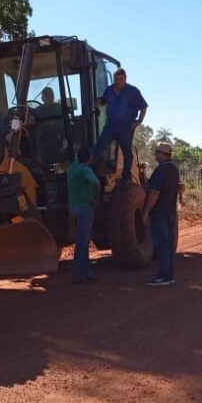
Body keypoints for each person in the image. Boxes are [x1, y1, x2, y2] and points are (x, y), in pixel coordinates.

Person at [91, 68, 147, 184]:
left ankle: (126, 177)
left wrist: (139, 121)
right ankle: (88, 168)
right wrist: (96, 103)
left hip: (125, 128)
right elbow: (103, 102)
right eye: (116, 79)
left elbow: (143, 107)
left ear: (125, 79)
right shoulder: (109, 90)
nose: (117, 81)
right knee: (99, 146)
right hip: (110, 126)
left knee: (127, 152)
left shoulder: (133, 91)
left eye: (120, 79)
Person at [142, 142, 180, 286]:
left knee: (161, 245)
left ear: (164, 154)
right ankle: (169, 274)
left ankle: (163, 276)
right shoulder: (174, 170)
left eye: (157, 152)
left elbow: (154, 194)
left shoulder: (161, 171)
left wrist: (146, 212)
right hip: (170, 213)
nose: (155, 154)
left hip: (159, 214)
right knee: (168, 245)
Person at [67, 147, 100, 284]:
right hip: (85, 208)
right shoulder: (86, 170)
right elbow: (96, 183)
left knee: (83, 240)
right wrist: (94, 198)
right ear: (89, 158)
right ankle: (78, 274)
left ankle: (86, 271)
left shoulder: (72, 168)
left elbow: (77, 158)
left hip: (73, 208)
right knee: (82, 241)